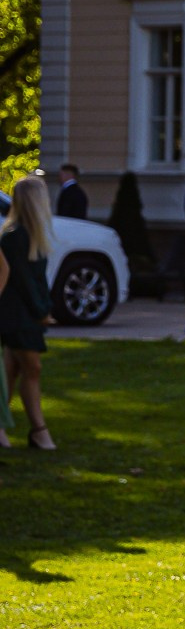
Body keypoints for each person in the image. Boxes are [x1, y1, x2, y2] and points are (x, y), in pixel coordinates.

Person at [0, 174, 57, 451]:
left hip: (24, 313)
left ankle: (6, 426)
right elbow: (23, 279)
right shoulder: (15, 237)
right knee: (32, 368)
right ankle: (39, 430)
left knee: (12, 370)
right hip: (17, 315)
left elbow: (37, 279)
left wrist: (45, 308)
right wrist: (40, 311)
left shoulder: (28, 236)